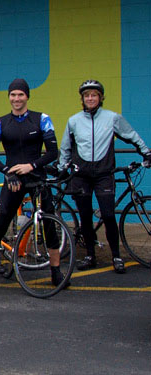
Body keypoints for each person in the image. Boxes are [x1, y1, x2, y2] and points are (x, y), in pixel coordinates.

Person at [0, 78, 64, 290]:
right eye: (13, 95)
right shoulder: (0, 122)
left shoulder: (42, 119)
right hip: (13, 181)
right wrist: (6, 172)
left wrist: (32, 165)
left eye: (21, 94)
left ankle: (56, 271)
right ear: (9, 97)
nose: (17, 98)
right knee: (0, 222)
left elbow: (52, 152)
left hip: (37, 177)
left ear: (27, 96)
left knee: (48, 223)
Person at [59, 79, 151, 273]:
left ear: (100, 98)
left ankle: (116, 256)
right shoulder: (73, 121)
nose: (90, 98)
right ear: (82, 99)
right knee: (84, 216)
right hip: (81, 175)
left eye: (94, 95)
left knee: (108, 215)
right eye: (86, 95)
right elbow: (65, 148)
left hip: (103, 174)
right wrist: (61, 168)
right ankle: (90, 255)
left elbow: (131, 135)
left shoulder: (112, 118)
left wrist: (146, 152)